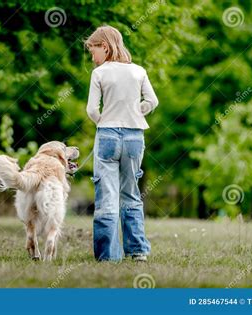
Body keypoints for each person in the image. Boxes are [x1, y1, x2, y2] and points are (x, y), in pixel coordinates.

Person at [85, 25, 159, 262]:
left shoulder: (100, 73)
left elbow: (91, 110)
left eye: (93, 50)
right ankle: (137, 251)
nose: (92, 57)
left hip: (107, 136)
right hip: (135, 136)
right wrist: (137, 111)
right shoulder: (138, 71)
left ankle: (108, 256)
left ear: (104, 47)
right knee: (131, 193)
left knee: (106, 195)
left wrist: (104, 121)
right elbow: (152, 101)